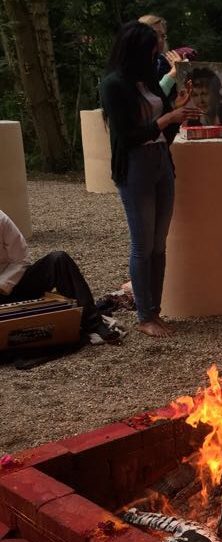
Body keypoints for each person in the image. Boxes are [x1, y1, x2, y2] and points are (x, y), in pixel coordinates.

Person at [101, 21, 199, 337]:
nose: (155, 57)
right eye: (150, 51)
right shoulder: (114, 85)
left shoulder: (149, 82)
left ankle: (155, 311)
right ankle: (145, 316)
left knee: (159, 245)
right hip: (135, 167)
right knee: (142, 245)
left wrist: (177, 111)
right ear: (134, 52)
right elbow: (128, 135)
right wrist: (167, 118)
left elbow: (163, 131)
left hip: (160, 163)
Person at [0, 210, 121, 344]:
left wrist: (3, 285)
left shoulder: (1, 218)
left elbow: (21, 259)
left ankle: (93, 323)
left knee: (58, 259)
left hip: (11, 284)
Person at [138, 14, 193, 98]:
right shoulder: (132, 66)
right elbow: (151, 100)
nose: (160, 40)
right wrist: (172, 74)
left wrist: (181, 73)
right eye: (154, 34)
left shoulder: (161, 63)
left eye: (163, 36)